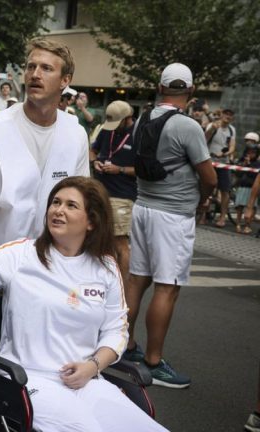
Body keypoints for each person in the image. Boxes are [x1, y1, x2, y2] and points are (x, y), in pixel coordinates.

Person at [0, 177, 167, 432]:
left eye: (71, 205)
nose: (58, 210)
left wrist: (93, 366)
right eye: (55, 202)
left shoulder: (106, 268)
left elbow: (117, 330)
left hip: (87, 381)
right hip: (28, 380)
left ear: (91, 221)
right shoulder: (22, 254)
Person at [0, 37, 89, 372]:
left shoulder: (75, 133)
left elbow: (81, 201)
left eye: (46, 68)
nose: (35, 73)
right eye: (31, 66)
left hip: (44, 266)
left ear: (65, 81)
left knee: (34, 358)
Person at [123, 63, 217, 388]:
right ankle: (153, 361)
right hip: (174, 216)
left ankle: (124, 346)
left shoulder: (142, 120)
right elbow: (210, 176)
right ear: (190, 92)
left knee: (136, 281)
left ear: (160, 87)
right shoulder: (187, 126)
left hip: (143, 207)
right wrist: (203, 199)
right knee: (167, 287)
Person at [89, 100, 136, 284]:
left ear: (127, 119)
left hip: (122, 195)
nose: (113, 128)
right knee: (100, 240)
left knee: (120, 243)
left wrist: (120, 169)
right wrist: (95, 162)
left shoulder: (138, 135)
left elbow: (144, 169)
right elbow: (92, 150)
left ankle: (120, 286)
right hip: (99, 192)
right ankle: (105, 281)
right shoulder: (107, 130)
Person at [201, 108, 236, 227]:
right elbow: (203, 139)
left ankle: (222, 218)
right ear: (221, 115)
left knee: (225, 190)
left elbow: (232, 146)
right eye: (226, 113)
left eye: (230, 114)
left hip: (224, 162)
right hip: (210, 161)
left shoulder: (232, 130)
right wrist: (212, 129)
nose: (228, 116)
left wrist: (226, 153)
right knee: (207, 187)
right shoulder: (212, 125)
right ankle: (202, 215)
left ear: (233, 118)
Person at [235, 132, 260, 234]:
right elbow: (238, 173)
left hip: (252, 187)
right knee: (239, 207)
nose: (250, 154)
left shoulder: (257, 163)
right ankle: (237, 224)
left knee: (252, 207)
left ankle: (247, 225)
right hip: (243, 186)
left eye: (253, 152)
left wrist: (250, 165)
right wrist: (244, 164)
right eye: (248, 152)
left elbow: (255, 175)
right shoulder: (242, 160)